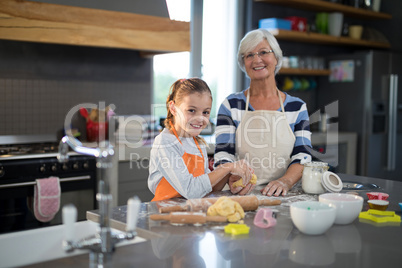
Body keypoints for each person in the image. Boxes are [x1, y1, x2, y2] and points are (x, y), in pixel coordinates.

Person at [214, 29, 312, 197]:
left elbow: (303, 156)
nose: (256, 60)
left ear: (276, 57)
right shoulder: (230, 105)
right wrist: (233, 176)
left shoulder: (297, 107)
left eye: (263, 52)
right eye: (249, 55)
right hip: (240, 193)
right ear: (243, 63)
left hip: (283, 194)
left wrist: (285, 181)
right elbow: (224, 154)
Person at [148, 78, 253, 201]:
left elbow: (209, 189)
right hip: (165, 213)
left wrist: (229, 176)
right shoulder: (165, 142)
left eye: (205, 112)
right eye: (191, 110)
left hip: (191, 212)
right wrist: (228, 167)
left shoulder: (198, 143)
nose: (200, 118)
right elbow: (191, 190)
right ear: (173, 108)